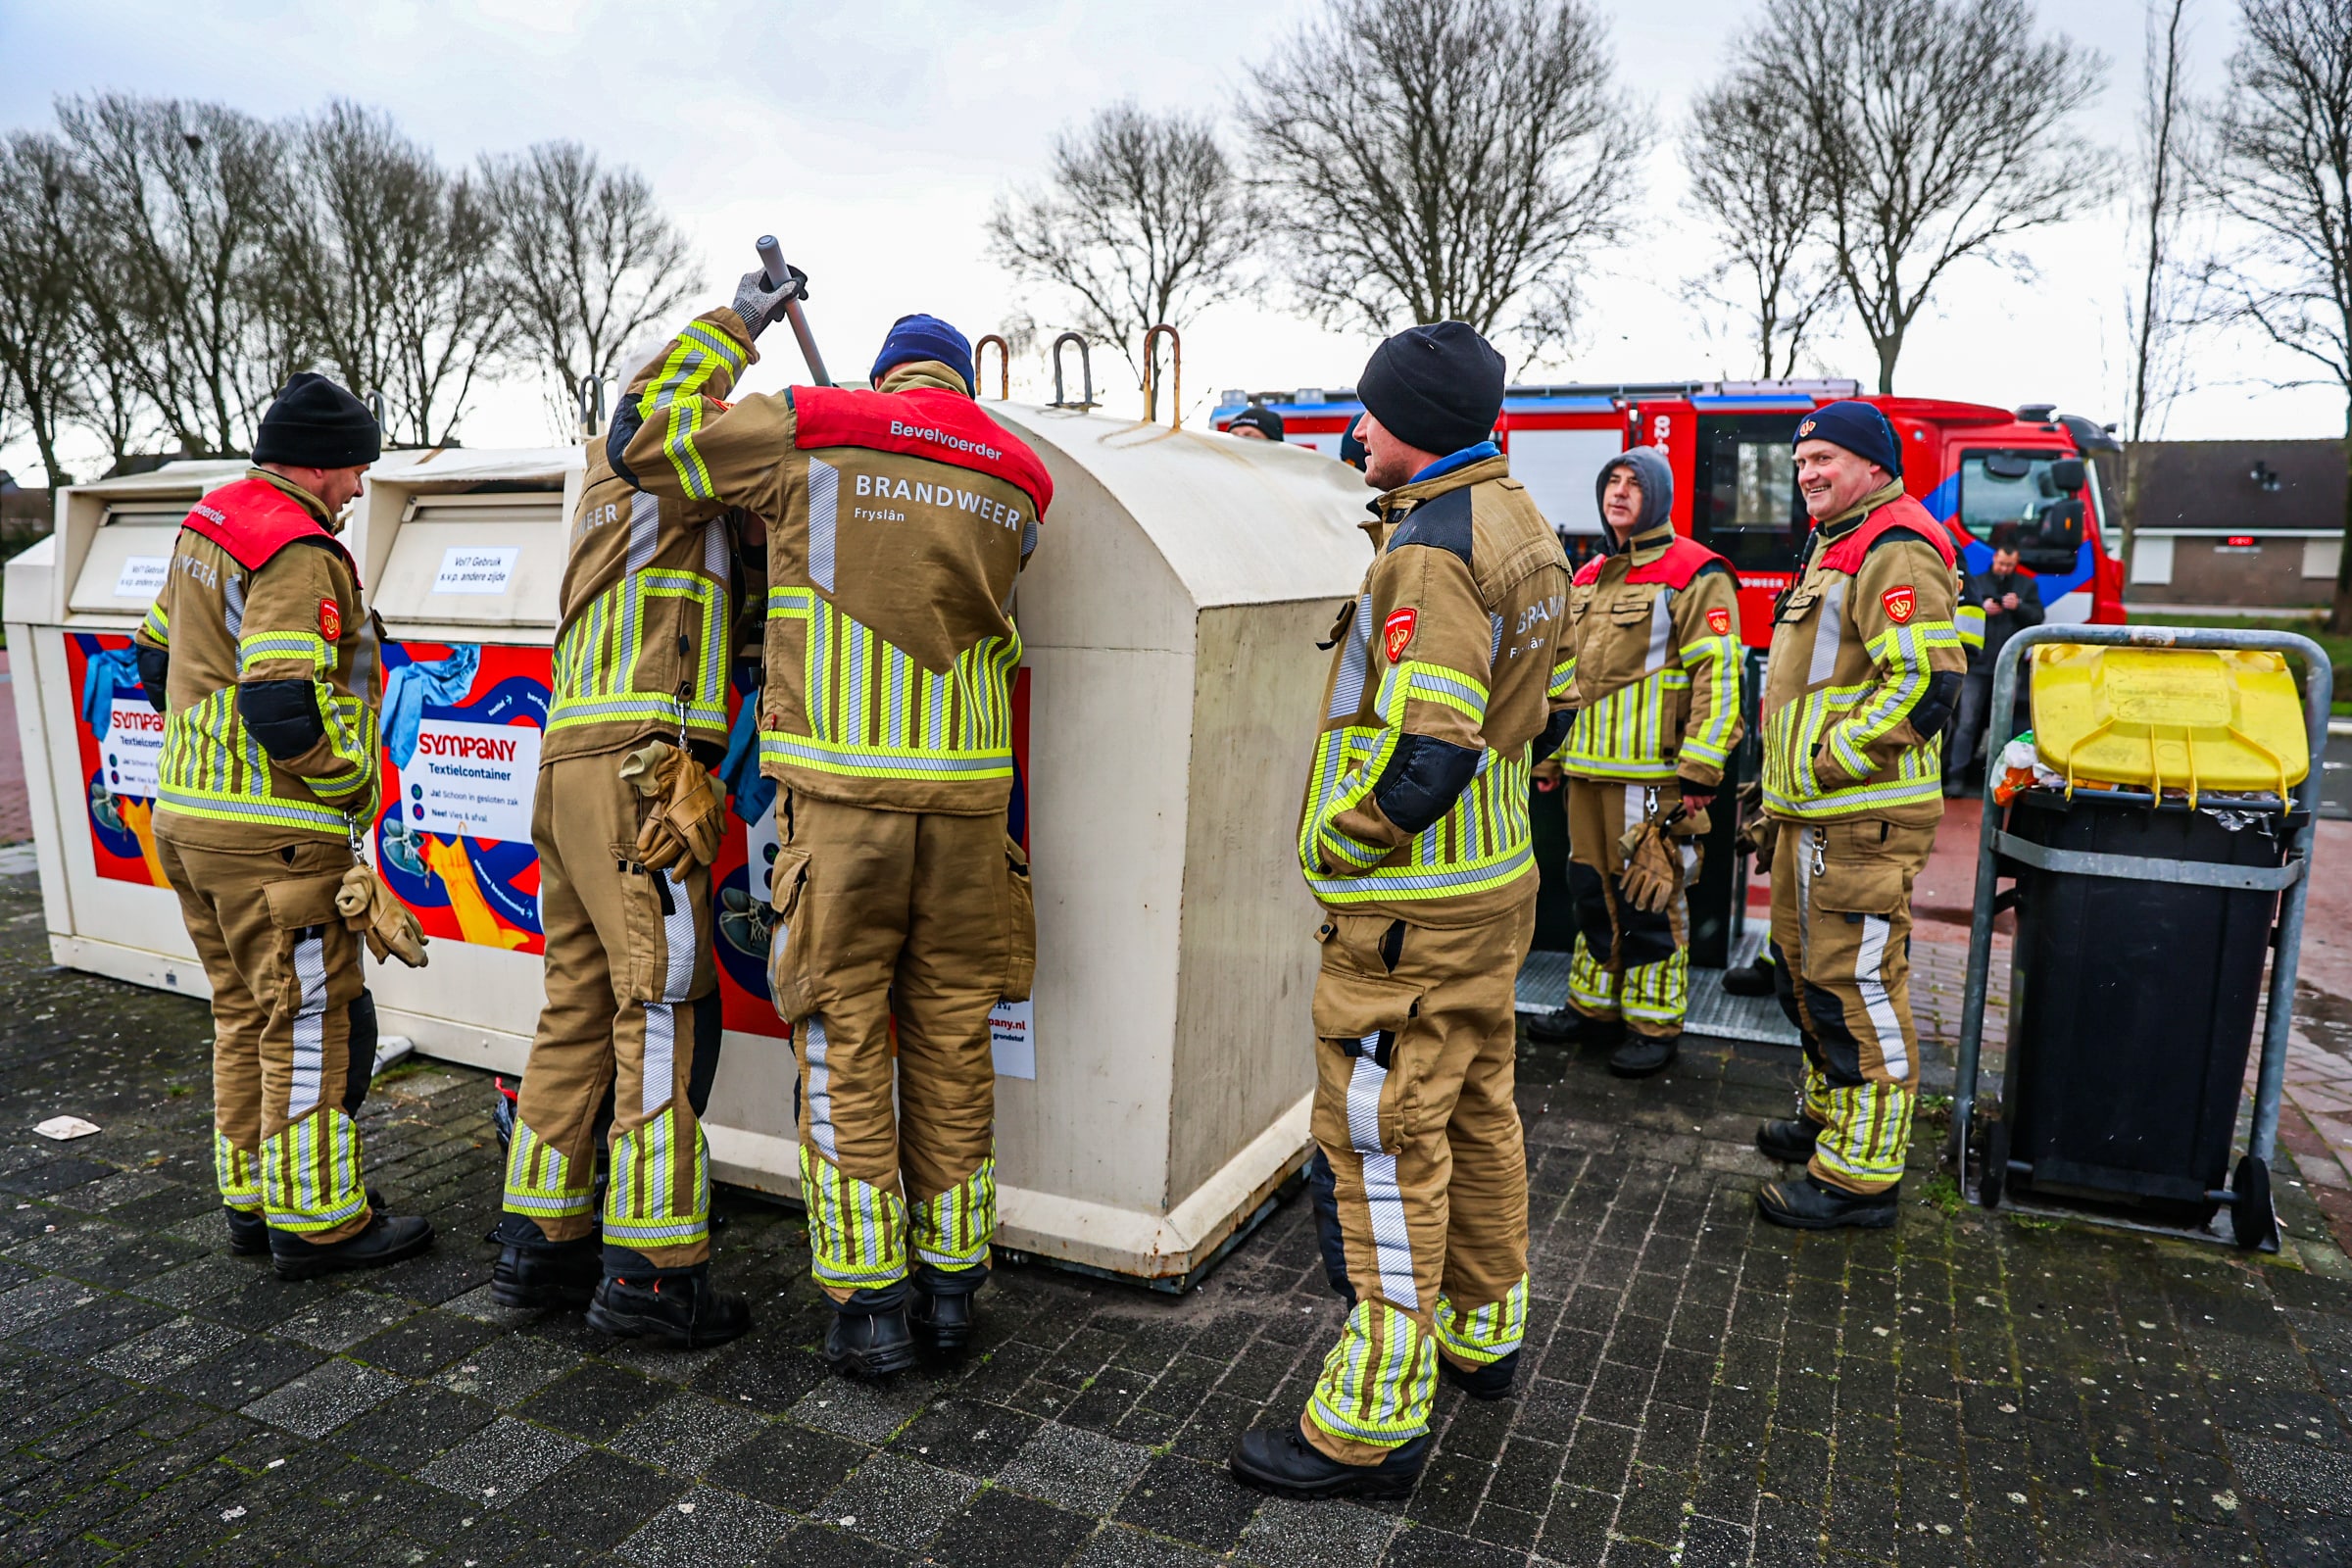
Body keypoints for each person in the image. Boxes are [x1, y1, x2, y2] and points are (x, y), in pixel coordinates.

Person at [606, 274, 1050, 1379]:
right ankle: (952, 1293)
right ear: (961, 379)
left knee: (842, 1034)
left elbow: (641, 441)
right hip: (969, 813)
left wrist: (734, 329)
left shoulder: (818, 427)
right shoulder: (1019, 475)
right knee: (952, 1040)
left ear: (889, 373)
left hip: (842, 810)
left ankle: (871, 1312)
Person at [1229, 322, 1571, 1500]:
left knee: (1381, 1138)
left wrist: (1341, 837)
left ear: (1412, 418)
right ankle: (1484, 1336)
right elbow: (1552, 706)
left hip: (1409, 910)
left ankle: (1371, 1422)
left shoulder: (1430, 550)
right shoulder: (1523, 519)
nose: (1356, 430)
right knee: (1477, 1109)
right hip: (1492, 890)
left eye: (1371, 413)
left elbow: (1429, 752)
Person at [488, 338, 769, 1346]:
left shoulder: (607, 486)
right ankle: (651, 1279)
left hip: (566, 764)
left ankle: (538, 1246)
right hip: (643, 772)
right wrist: (738, 326)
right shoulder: (667, 455)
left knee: (576, 1000)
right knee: (660, 1003)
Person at [135, 373, 434, 1280]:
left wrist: (209, 751)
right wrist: (347, 788)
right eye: (353, 469)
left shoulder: (212, 520)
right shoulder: (298, 548)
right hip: (276, 834)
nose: (356, 489)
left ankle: (254, 1199)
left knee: (242, 1010)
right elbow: (280, 704)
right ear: (316, 460)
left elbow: (154, 654)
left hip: (186, 817)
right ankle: (317, 1221)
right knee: (311, 1018)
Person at [1752, 401, 1978, 1229]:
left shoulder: (1894, 545)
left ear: (1876, 468)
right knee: (1803, 976)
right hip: (1814, 814)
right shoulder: (1837, 543)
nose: (1809, 472)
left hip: (1858, 815)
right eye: (1803, 460)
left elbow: (1928, 684)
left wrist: (1829, 759)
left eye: (1827, 459)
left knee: (1855, 990)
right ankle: (1829, 1122)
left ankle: (1860, 1180)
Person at [1525, 448, 1740, 1075]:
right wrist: (1550, 757)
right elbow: (1565, 676)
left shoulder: (1696, 572)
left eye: (1633, 483)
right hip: (1586, 774)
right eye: (1611, 482)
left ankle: (1653, 1025)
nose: (1619, 492)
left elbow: (1720, 677)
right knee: (1590, 892)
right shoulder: (1589, 576)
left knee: (1651, 895)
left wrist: (1701, 770)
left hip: (1655, 778)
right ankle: (1592, 1007)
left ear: (1660, 495)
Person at [1944, 542, 2042, 792]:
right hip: (1978, 666)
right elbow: (1959, 610)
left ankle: (1998, 779)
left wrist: (2018, 606)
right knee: (1967, 723)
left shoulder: (2026, 586)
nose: (2004, 568)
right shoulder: (1977, 582)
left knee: (2002, 725)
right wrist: (1984, 608)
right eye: (2001, 563)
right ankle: (1956, 778)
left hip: (2010, 667)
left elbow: (2037, 617)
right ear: (1994, 559)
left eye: (2009, 565)